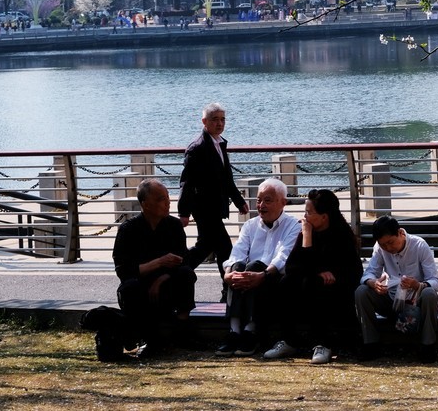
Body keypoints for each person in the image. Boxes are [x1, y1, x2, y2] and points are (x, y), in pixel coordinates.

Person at [263, 188, 362, 365]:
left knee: (314, 283)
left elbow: (352, 271)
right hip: (308, 286)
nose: (305, 216)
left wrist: (328, 274)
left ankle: (322, 343)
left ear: (324, 216)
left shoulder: (341, 235)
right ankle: (288, 341)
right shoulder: (306, 232)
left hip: (335, 291)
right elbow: (292, 267)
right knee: (286, 282)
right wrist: (307, 240)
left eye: (309, 212)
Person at [215, 177, 301, 356]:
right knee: (237, 266)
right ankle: (234, 331)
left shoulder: (293, 225)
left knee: (254, 265)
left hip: (274, 280)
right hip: (249, 279)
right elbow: (237, 252)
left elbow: (283, 257)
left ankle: (251, 330)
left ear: (283, 202)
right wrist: (228, 273)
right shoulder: (249, 225)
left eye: (267, 201)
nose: (261, 205)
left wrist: (263, 275)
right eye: (259, 200)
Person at [112, 178, 197, 352]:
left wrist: (161, 279)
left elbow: (184, 260)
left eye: (168, 197)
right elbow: (124, 271)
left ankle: (182, 331)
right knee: (129, 287)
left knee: (186, 273)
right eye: (161, 199)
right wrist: (158, 262)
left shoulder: (174, 225)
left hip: (167, 284)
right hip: (141, 286)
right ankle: (147, 338)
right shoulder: (128, 229)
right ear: (145, 204)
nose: (167, 203)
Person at [178, 102, 249, 293]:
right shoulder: (197, 148)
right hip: (204, 208)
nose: (220, 123)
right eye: (215, 119)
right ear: (204, 121)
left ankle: (177, 272)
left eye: (223, 119)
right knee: (224, 248)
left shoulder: (219, 143)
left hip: (215, 207)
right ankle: (228, 290)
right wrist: (184, 212)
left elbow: (226, 178)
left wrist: (239, 201)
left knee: (206, 246)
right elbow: (186, 182)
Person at [354, 215, 438, 362]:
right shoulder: (380, 248)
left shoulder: (419, 245)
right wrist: (373, 283)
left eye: (390, 242)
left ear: (400, 233)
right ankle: (370, 343)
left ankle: (428, 346)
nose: (388, 248)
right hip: (391, 300)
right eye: (383, 245)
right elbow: (369, 273)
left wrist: (417, 285)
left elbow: (435, 281)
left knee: (429, 294)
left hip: (415, 302)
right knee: (361, 291)